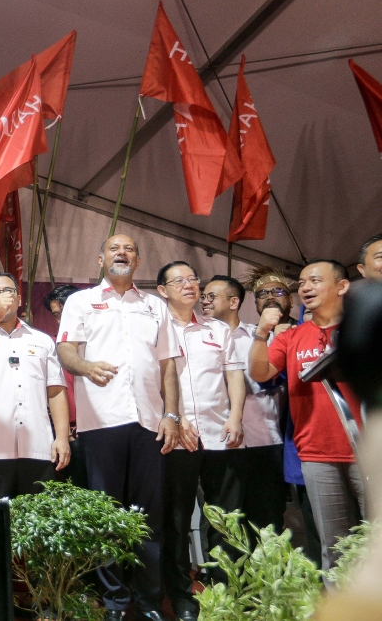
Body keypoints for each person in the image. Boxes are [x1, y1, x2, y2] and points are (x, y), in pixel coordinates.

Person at [55, 234, 181, 621]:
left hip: (149, 422)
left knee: (147, 518)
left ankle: (148, 601)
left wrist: (172, 415)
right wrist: (88, 367)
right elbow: (65, 350)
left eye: (128, 249)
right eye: (114, 248)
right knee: (107, 516)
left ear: (137, 261)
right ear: (100, 259)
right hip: (101, 422)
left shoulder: (155, 306)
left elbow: (168, 366)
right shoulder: (80, 302)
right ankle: (114, 600)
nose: (121, 253)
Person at [249, 259, 364, 570]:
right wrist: (261, 334)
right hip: (316, 455)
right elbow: (260, 372)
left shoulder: (365, 327)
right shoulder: (291, 336)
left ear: (342, 286)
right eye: (301, 283)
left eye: (314, 280)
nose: (305, 288)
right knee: (334, 547)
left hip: (369, 453)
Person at [158, 263, 246, 621]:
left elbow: (234, 376)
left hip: (221, 435)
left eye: (193, 279)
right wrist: (177, 418)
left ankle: (225, 589)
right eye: (179, 280)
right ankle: (181, 596)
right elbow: (154, 381)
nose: (190, 285)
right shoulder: (155, 330)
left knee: (224, 516)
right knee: (176, 521)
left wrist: (236, 416)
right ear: (163, 290)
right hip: (176, 438)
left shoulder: (217, 330)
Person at [0, 272, 71, 500]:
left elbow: (56, 390)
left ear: (19, 299)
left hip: (38, 449)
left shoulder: (41, 340)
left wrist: (62, 437)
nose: (2, 297)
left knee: (38, 527)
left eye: (8, 291)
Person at [202, 273, 289, 535]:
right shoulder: (195, 339)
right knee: (223, 523)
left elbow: (280, 379)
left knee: (268, 521)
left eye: (211, 296)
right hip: (219, 443)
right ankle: (222, 577)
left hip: (265, 439)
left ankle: (266, 577)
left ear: (233, 302)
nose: (204, 301)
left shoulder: (262, 336)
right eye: (203, 297)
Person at [42, 283, 87, 488]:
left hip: (103, 431)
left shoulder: (103, 343)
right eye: (57, 315)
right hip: (67, 436)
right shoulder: (49, 346)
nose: (62, 320)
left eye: (66, 312)